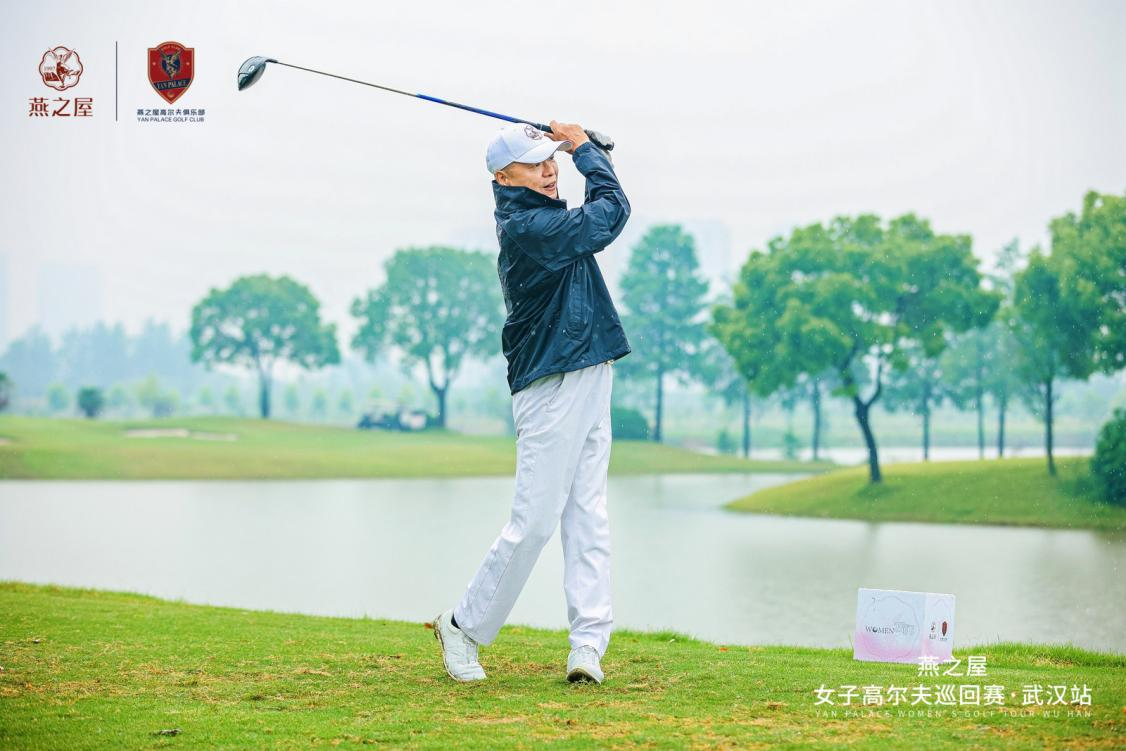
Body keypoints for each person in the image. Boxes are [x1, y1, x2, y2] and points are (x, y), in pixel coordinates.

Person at [433, 120, 632, 684]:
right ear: (503, 177)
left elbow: (602, 208)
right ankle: (462, 626)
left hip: (591, 368)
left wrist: (590, 154)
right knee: (536, 521)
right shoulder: (528, 227)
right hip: (550, 384)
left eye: (552, 160)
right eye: (534, 164)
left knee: (588, 515)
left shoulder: (549, 220)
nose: (548, 171)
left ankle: (588, 644)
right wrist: (585, 151)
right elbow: (611, 213)